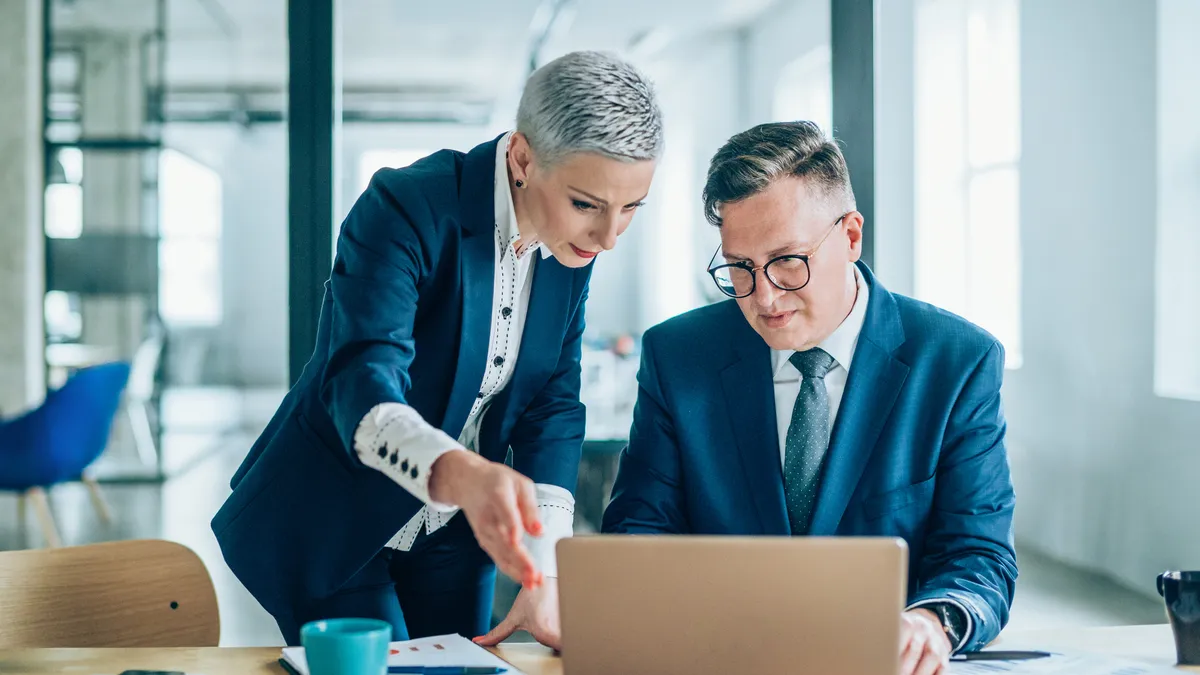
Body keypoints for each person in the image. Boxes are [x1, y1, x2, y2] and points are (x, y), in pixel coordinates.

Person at [212, 51, 663, 649]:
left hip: (454, 536)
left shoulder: (571, 246)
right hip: (339, 522)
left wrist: (543, 568)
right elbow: (361, 384)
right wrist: (460, 473)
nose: (609, 237)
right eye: (588, 205)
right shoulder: (405, 207)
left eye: (631, 208)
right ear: (525, 160)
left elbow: (551, 403)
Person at [601, 121, 1016, 675]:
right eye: (740, 268)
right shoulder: (680, 357)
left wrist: (932, 622)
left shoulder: (956, 361)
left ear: (850, 236)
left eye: (787, 261)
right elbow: (638, 529)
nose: (765, 298)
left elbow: (978, 554)